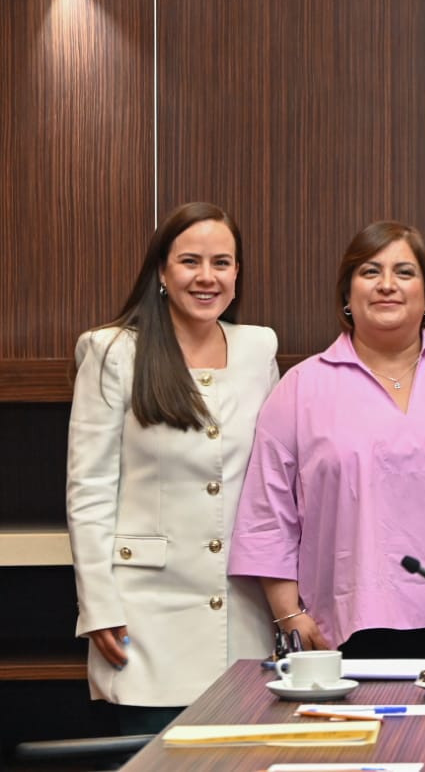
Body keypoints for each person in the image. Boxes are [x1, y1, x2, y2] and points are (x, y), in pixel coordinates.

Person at [230, 221, 425, 658]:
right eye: (370, 272)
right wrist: (290, 617)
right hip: (338, 635)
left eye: (404, 272)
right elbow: (268, 516)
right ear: (347, 296)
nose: (387, 285)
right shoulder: (300, 389)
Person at [66, 202, 279, 733]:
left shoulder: (258, 348)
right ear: (161, 271)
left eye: (222, 263)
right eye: (190, 261)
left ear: (237, 273)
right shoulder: (113, 351)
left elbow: (273, 482)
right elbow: (89, 489)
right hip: (144, 617)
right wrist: (98, 607)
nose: (207, 277)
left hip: (243, 614)